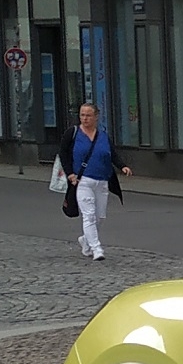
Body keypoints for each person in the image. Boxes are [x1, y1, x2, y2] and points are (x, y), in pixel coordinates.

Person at [61, 100, 130, 259]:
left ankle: (86, 240)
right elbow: (63, 154)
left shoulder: (102, 136)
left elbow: (111, 154)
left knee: (100, 217)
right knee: (89, 215)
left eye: (88, 115)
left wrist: (123, 166)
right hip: (82, 180)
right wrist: (70, 174)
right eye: (82, 115)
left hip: (102, 180)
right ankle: (97, 249)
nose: (85, 118)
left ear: (96, 117)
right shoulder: (73, 133)